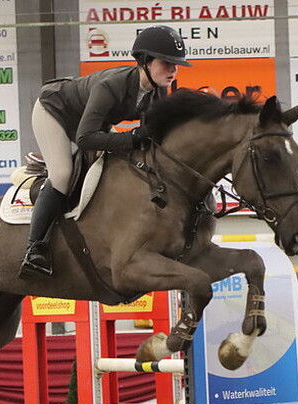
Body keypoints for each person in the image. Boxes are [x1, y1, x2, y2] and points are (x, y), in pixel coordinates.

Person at [19, 25, 192, 279]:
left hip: (91, 121)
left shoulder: (157, 90)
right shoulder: (111, 86)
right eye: (167, 63)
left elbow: (151, 137)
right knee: (63, 174)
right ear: (144, 61)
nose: (174, 70)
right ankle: (35, 249)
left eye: (176, 64)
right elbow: (86, 138)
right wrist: (132, 137)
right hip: (54, 111)